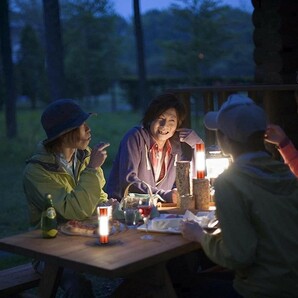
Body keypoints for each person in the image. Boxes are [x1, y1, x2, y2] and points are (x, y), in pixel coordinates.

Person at [181, 94, 298, 298]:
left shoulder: (230, 182)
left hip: (262, 290)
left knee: (183, 286)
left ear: (224, 140)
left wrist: (200, 236)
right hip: (291, 283)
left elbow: (238, 256)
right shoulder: (285, 173)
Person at [23, 99, 112, 298]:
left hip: (82, 236)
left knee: (134, 257)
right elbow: (73, 210)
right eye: (82, 125)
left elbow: (97, 195)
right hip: (49, 248)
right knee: (77, 283)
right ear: (65, 133)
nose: (88, 129)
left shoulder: (84, 155)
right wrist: (92, 169)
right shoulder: (36, 171)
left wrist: (105, 204)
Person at [106, 93, 204, 202]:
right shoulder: (135, 137)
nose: (164, 125)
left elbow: (186, 181)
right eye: (160, 118)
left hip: (158, 211)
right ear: (150, 119)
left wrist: (198, 144)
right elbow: (128, 181)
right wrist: (163, 195)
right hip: (124, 209)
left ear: (178, 125)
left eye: (172, 120)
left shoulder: (175, 146)